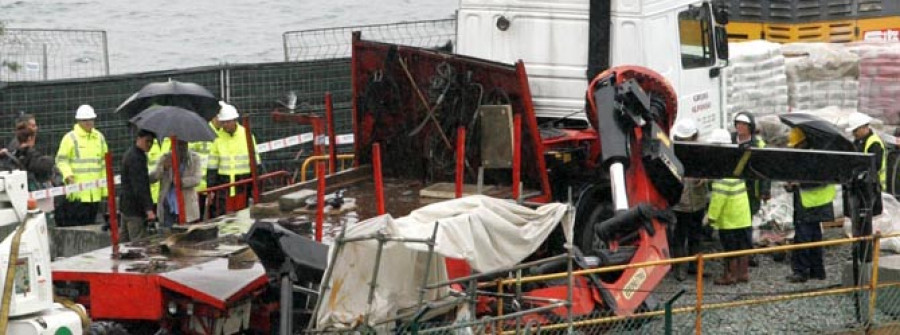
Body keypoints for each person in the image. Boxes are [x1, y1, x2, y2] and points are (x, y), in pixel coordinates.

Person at [785, 127, 836, 283]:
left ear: (803, 142)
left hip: (809, 204)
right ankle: (817, 271)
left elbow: (818, 179)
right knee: (815, 237)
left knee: (803, 238)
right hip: (816, 203)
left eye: (796, 144)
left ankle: (801, 272)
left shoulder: (812, 157)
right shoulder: (817, 154)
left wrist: (798, 184)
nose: (794, 147)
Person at [706, 129, 753, 286]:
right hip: (743, 216)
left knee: (730, 249)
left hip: (729, 219)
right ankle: (743, 274)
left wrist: (711, 218)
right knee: (743, 246)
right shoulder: (735, 162)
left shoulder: (722, 168)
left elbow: (719, 197)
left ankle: (730, 276)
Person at [55, 105, 108, 226]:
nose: (89, 122)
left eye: (91, 119)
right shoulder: (70, 138)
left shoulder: (99, 138)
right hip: (77, 194)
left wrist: (105, 190)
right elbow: (61, 160)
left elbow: (104, 164)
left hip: (95, 193)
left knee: (92, 226)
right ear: (78, 121)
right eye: (85, 120)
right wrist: (68, 175)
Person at [669, 118, 708, 281]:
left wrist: (704, 178)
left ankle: (695, 266)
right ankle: (679, 268)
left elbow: (710, 168)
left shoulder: (701, 151)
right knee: (680, 236)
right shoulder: (671, 152)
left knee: (696, 235)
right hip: (680, 203)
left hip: (697, 201)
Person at [730, 111, 771, 267]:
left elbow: (765, 170)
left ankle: (747, 254)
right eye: (738, 124)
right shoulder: (730, 140)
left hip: (750, 190)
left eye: (744, 124)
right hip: (732, 188)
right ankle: (735, 253)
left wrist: (765, 191)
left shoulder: (758, 145)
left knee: (746, 223)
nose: (740, 127)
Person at [207, 101, 259, 217]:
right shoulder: (217, 137)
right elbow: (212, 165)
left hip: (242, 182)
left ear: (235, 120)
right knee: (223, 217)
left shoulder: (246, 135)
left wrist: (256, 185)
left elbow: (255, 161)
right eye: (223, 122)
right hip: (224, 184)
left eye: (228, 122)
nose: (225, 125)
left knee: (243, 215)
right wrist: (211, 187)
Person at [150, 140, 202, 233]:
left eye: (184, 144)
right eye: (178, 144)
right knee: (167, 236)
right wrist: (163, 168)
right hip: (168, 206)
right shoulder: (165, 158)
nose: (181, 148)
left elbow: (197, 179)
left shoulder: (194, 159)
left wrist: (181, 182)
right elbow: (153, 178)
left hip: (187, 206)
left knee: (186, 237)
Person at [119, 129, 158, 242]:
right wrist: (148, 209)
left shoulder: (130, 154)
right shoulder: (137, 158)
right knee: (138, 244)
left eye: (152, 142)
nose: (149, 145)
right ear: (139, 139)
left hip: (126, 207)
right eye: (147, 141)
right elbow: (140, 186)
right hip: (135, 210)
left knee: (125, 243)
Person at [847, 112, 885, 216]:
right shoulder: (859, 141)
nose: (854, 133)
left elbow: (875, 165)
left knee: (870, 215)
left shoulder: (874, 143)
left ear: (864, 128)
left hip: (871, 186)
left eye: (855, 130)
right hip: (861, 185)